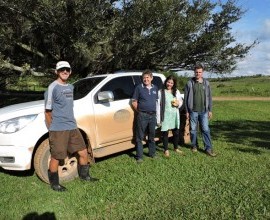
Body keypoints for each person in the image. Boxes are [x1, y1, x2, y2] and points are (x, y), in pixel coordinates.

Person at [44, 61, 98, 192]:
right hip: (58, 129)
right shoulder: (52, 88)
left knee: (83, 152)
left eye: (67, 69)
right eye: (62, 69)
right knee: (57, 156)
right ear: (57, 72)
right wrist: (52, 129)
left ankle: (84, 176)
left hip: (72, 126)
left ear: (70, 71)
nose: (65, 72)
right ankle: (55, 184)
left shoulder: (70, 88)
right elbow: (47, 112)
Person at [184, 63, 216, 157]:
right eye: (196, 72)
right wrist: (187, 111)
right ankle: (194, 145)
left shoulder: (206, 83)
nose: (198, 73)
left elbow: (209, 97)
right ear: (194, 72)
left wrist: (210, 110)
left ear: (203, 72)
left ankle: (208, 148)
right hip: (193, 111)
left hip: (204, 111)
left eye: (200, 72)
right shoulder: (189, 83)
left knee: (205, 130)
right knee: (193, 130)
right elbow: (186, 98)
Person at [132, 70, 159, 163]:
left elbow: (157, 102)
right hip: (142, 115)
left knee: (152, 136)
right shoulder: (139, 88)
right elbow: (134, 102)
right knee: (139, 137)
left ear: (151, 78)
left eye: (147, 77)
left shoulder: (155, 88)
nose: (146, 79)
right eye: (144, 78)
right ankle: (139, 156)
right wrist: (139, 111)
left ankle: (152, 153)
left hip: (153, 116)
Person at [156, 75, 184, 157]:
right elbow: (158, 105)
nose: (170, 84)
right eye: (168, 82)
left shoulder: (176, 91)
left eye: (172, 83)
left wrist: (178, 103)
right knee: (165, 133)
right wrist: (158, 118)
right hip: (165, 115)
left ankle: (176, 148)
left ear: (174, 84)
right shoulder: (161, 92)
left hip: (174, 114)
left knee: (176, 132)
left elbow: (180, 101)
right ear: (166, 82)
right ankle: (166, 150)